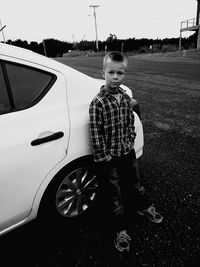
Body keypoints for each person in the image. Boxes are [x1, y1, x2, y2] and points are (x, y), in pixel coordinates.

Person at [89, 51, 163, 252]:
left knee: (135, 183)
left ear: (124, 75)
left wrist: (130, 140)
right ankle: (119, 229)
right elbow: (95, 132)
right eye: (111, 72)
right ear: (103, 72)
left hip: (127, 151)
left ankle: (143, 206)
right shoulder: (98, 103)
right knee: (114, 193)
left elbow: (130, 122)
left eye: (119, 73)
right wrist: (103, 155)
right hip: (110, 157)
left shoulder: (124, 97)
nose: (115, 77)